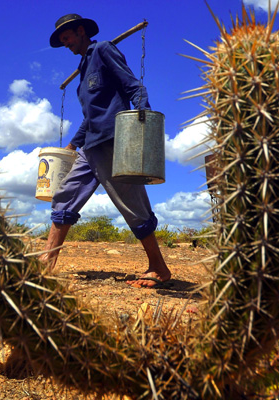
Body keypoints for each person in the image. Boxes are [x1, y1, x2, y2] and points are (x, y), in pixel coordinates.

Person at [40, 13, 171, 288]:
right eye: (62, 41)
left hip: (115, 140)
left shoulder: (102, 50)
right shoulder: (83, 70)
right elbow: (90, 116)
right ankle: (45, 263)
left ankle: (159, 268)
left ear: (80, 32)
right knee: (65, 196)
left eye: (67, 38)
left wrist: (142, 119)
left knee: (132, 205)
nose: (66, 44)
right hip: (90, 146)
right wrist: (72, 144)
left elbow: (132, 85)